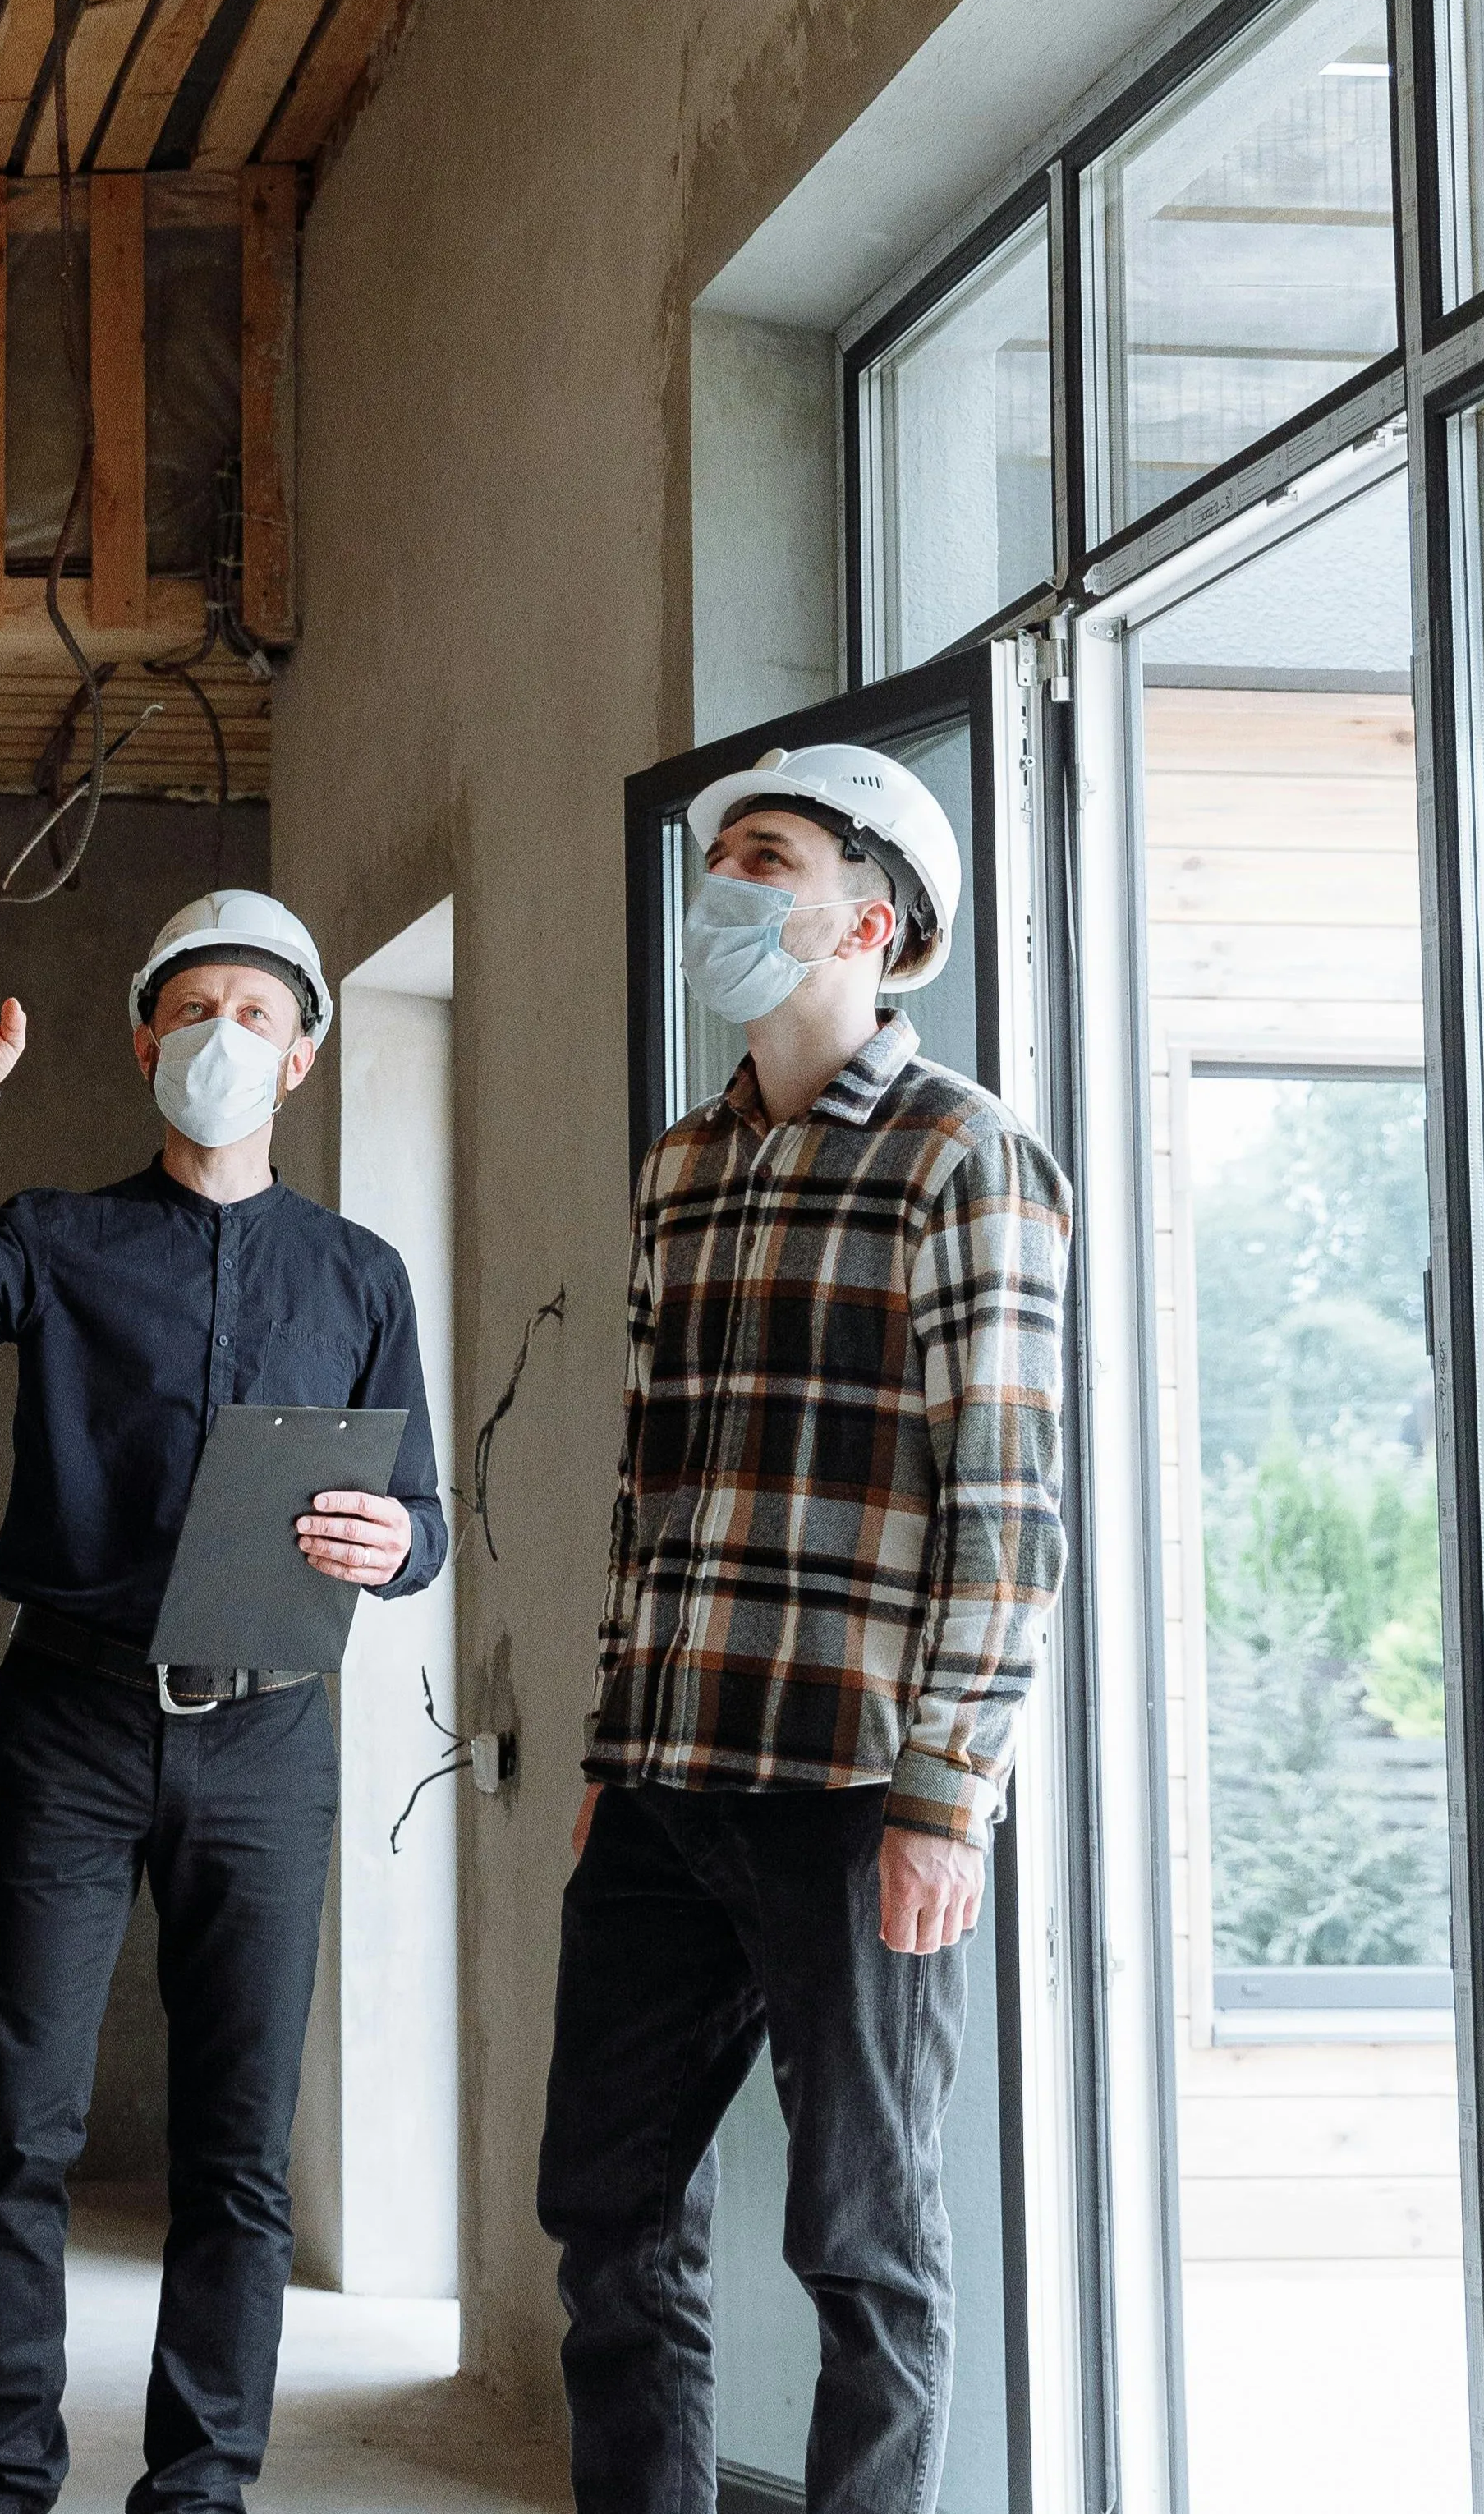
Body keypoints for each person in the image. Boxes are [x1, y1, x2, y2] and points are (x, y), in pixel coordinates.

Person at [0, 893, 448, 2514]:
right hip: (70, 1718)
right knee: (11, 2129)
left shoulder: (360, 1271)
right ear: (140, 1043)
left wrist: (399, 1542)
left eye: (256, 1012)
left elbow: (423, 1516)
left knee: (235, 2151)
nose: (222, 1037)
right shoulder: (53, 1237)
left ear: (303, 1054)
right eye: (191, 1010)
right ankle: (3, 2484)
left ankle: (199, 2486)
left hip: (268, 1735)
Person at [538, 750, 1071, 2514]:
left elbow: (1004, 1502)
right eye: (710, 858)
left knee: (863, 2246)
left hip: (849, 1790)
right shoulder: (680, 1165)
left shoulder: (963, 1155)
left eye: (759, 857)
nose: (719, 884)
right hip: (668, 1770)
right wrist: (613, 1743)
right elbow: (648, 1480)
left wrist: (947, 1788)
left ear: (874, 920)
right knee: (605, 2220)